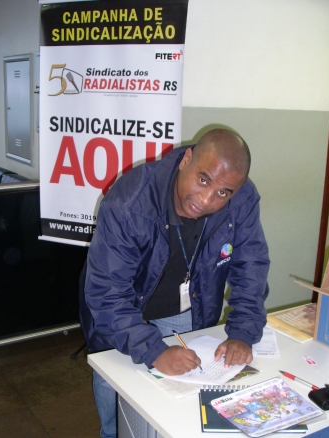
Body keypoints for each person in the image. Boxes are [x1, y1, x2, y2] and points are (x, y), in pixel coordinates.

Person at [79, 128, 270, 437]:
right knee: (116, 390)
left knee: (175, 400)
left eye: (223, 193)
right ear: (186, 160)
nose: (206, 200)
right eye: (203, 180)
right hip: (119, 310)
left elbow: (251, 266)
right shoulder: (130, 201)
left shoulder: (242, 199)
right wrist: (153, 351)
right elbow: (107, 293)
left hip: (182, 307)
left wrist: (243, 332)